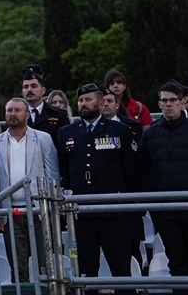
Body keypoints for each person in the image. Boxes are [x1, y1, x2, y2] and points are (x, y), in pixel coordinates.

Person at [57, 84, 137, 291]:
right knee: (86, 272)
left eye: (88, 100)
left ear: (101, 104)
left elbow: (130, 170)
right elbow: (65, 170)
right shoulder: (67, 132)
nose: (83, 104)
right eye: (81, 100)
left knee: (120, 269)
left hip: (113, 211)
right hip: (82, 213)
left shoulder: (120, 130)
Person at [142, 81, 188, 294]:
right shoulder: (151, 134)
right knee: (176, 263)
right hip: (165, 210)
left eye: (173, 100)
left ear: (183, 102)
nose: (168, 104)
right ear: (158, 103)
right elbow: (145, 169)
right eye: (164, 101)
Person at [0, 97, 59, 283]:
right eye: (9, 110)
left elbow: (52, 175)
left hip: (39, 211)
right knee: (18, 269)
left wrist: (52, 210)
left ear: (27, 115)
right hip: (10, 213)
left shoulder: (43, 139)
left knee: (44, 266)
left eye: (17, 110)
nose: (13, 114)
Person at [22, 65, 68, 140]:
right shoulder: (17, 115)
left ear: (43, 90)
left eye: (34, 86)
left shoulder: (58, 115)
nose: (29, 90)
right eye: (26, 87)